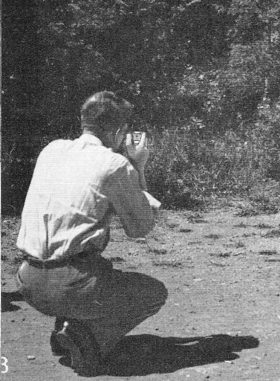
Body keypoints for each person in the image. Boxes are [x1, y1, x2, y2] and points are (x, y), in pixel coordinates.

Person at [16, 91, 167, 376]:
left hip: (27, 279)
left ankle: (67, 329)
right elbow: (140, 227)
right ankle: (87, 341)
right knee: (152, 293)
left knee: (87, 266)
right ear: (120, 131)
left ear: (83, 121)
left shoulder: (52, 150)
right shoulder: (115, 165)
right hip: (71, 283)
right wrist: (138, 164)